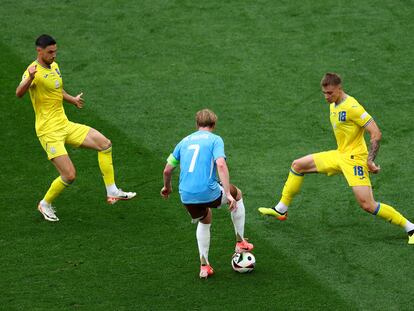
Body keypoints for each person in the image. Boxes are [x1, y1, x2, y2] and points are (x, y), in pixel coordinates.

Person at [259, 73, 414, 244]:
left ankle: (410, 227)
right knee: (298, 165)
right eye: (324, 93)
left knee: (367, 204)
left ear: (340, 89)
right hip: (340, 154)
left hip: (355, 160)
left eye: (330, 93)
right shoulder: (334, 103)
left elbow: (376, 133)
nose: (326, 97)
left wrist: (370, 160)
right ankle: (281, 209)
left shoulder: (352, 107)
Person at [16, 34, 136, 222]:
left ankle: (112, 191)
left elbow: (56, 90)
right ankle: (45, 204)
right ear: (39, 51)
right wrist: (30, 77)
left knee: (105, 144)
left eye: (55, 51)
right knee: (69, 175)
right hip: (48, 132)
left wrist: (72, 99)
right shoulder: (32, 71)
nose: (54, 55)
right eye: (50, 52)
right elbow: (19, 93)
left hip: (64, 124)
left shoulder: (54, 66)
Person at [161, 109, 254, 279]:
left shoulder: (184, 141)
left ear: (197, 125)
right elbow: (220, 164)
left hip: (186, 195)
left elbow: (167, 170)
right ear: (214, 124)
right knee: (237, 193)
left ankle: (204, 267)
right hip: (209, 191)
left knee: (205, 218)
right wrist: (228, 193)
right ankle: (240, 242)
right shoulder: (215, 139)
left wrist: (167, 188)